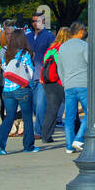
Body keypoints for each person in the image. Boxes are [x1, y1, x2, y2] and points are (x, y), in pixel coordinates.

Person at [0, 29, 38, 154]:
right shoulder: (25, 54)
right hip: (23, 89)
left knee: (9, 117)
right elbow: (30, 73)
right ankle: (28, 146)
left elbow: (5, 71)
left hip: (7, 90)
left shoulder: (6, 53)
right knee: (27, 118)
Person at [56, 22, 90, 153]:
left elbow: (60, 68)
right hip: (83, 84)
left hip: (68, 85)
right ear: (80, 31)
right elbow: (90, 63)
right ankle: (79, 138)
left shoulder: (63, 47)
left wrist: (65, 82)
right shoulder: (85, 46)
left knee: (69, 117)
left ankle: (69, 146)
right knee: (90, 113)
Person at [25, 12, 55, 140]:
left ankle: (39, 131)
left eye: (37, 21)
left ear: (43, 22)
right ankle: (42, 127)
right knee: (33, 105)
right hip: (29, 75)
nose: (34, 23)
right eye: (33, 21)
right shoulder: (28, 36)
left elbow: (53, 55)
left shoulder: (49, 36)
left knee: (41, 103)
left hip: (43, 75)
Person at [39, 26, 72, 143]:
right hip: (60, 82)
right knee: (71, 108)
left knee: (51, 110)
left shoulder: (51, 49)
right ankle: (77, 133)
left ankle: (46, 135)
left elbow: (44, 64)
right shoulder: (64, 49)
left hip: (48, 83)